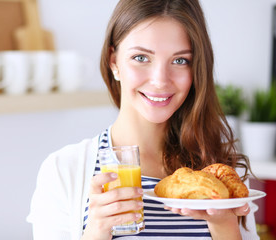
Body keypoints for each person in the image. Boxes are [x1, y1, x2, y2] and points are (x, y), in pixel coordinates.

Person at [27, 0, 260, 239]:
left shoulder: (220, 174)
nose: (160, 80)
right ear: (113, 61)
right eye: (141, 57)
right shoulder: (65, 170)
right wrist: (96, 231)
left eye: (180, 60)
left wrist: (224, 225)